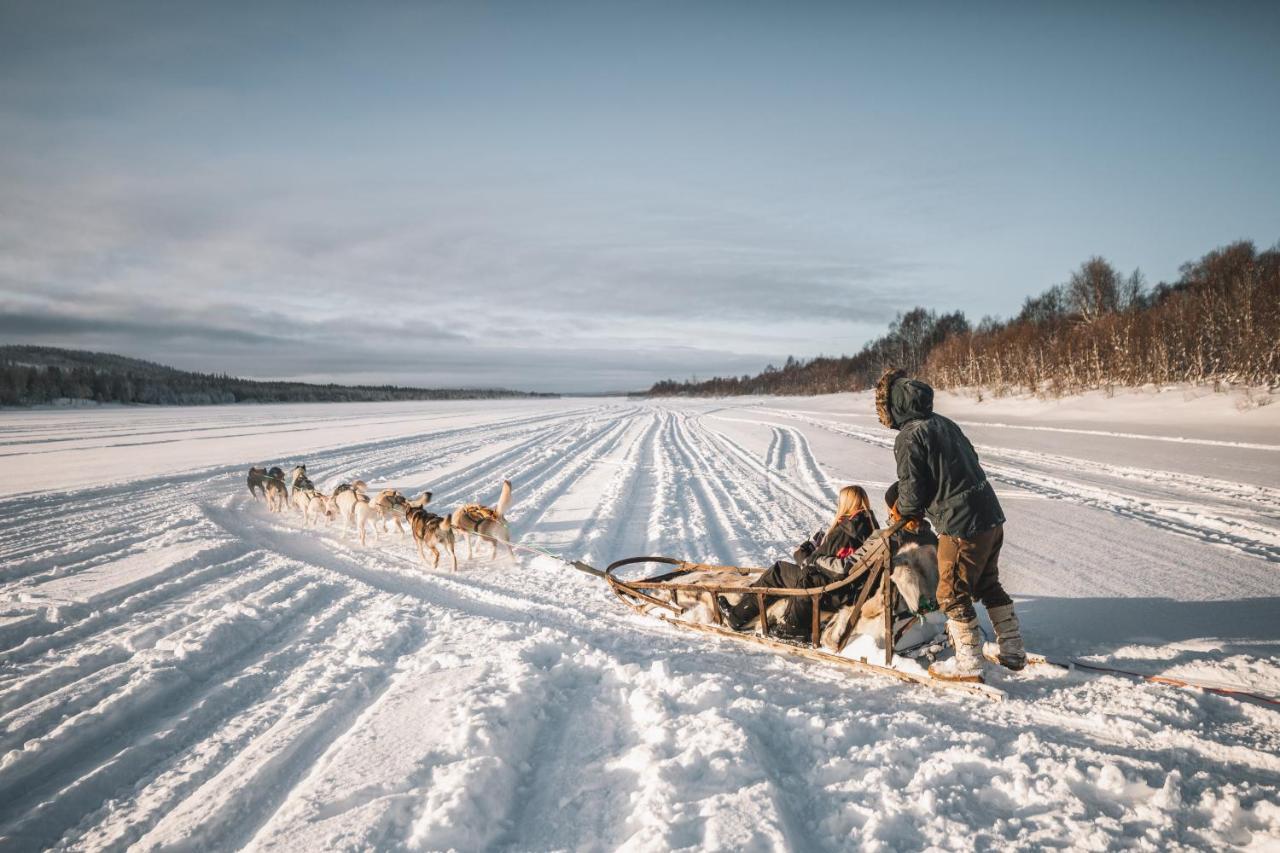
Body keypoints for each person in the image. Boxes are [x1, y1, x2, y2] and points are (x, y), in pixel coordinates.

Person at [875, 367, 1026, 682]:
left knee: (950, 592)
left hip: (961, 524)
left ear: (894, 406)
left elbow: (912, 490)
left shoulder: (910, 436)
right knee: (987, 583)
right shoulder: (944, 423)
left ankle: (968, 663)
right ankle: (1012, 648)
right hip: (990, 515)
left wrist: (899, 513)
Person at [718, 485, 877, 637]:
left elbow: (812, 563)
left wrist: (802, 552)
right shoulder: (867, 527)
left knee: (777, 572)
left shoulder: (846, 530)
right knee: (782, 572)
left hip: (829, 589)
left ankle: (736, 617)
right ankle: (747, 604)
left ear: (847, 504)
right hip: (843, 588)